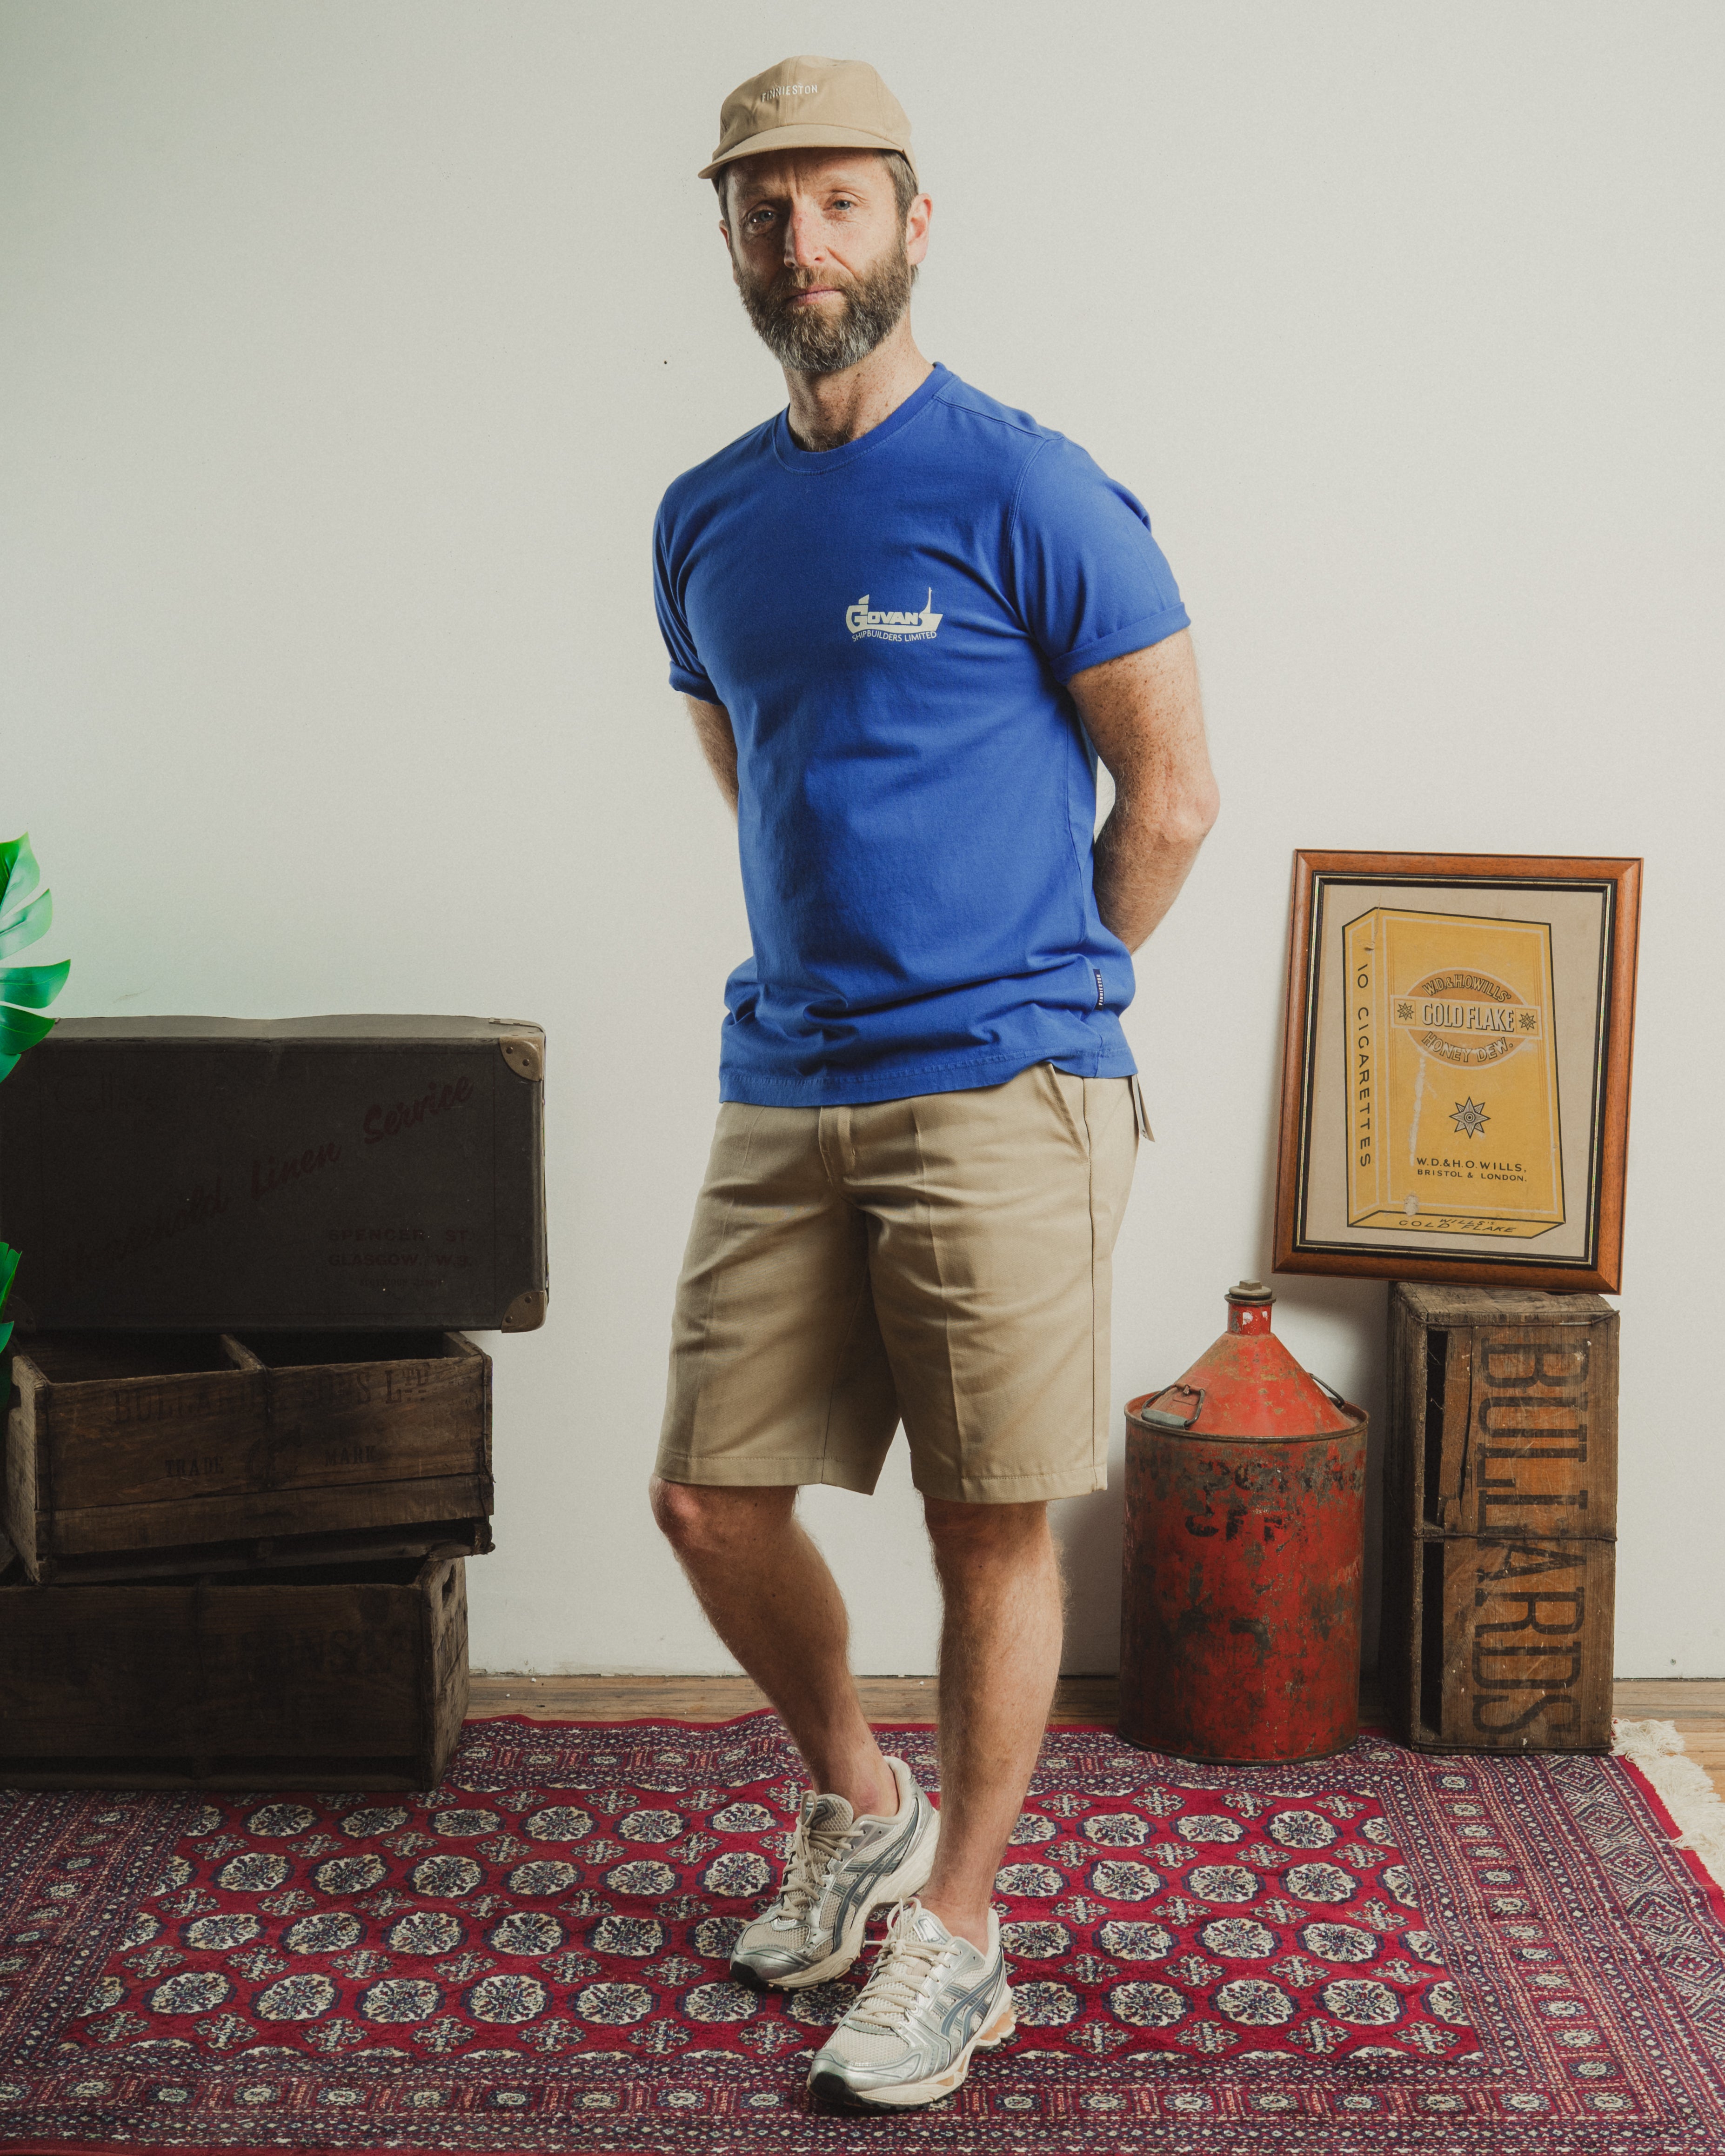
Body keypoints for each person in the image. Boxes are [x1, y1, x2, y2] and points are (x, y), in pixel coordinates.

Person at [646, 53, 1219, 2111]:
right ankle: (864, 1805)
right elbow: (755, 765)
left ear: (910, 221)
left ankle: (958, 1939)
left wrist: (1037, 989)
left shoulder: (1027, 485)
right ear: (728, 236)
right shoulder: (701, 517)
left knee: (991, 1529)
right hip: (785, 1073)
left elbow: (1172, 794)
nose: (801, 247)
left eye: (837, 206)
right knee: (708, 1494)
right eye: (761, 211)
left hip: (1008, 1084)